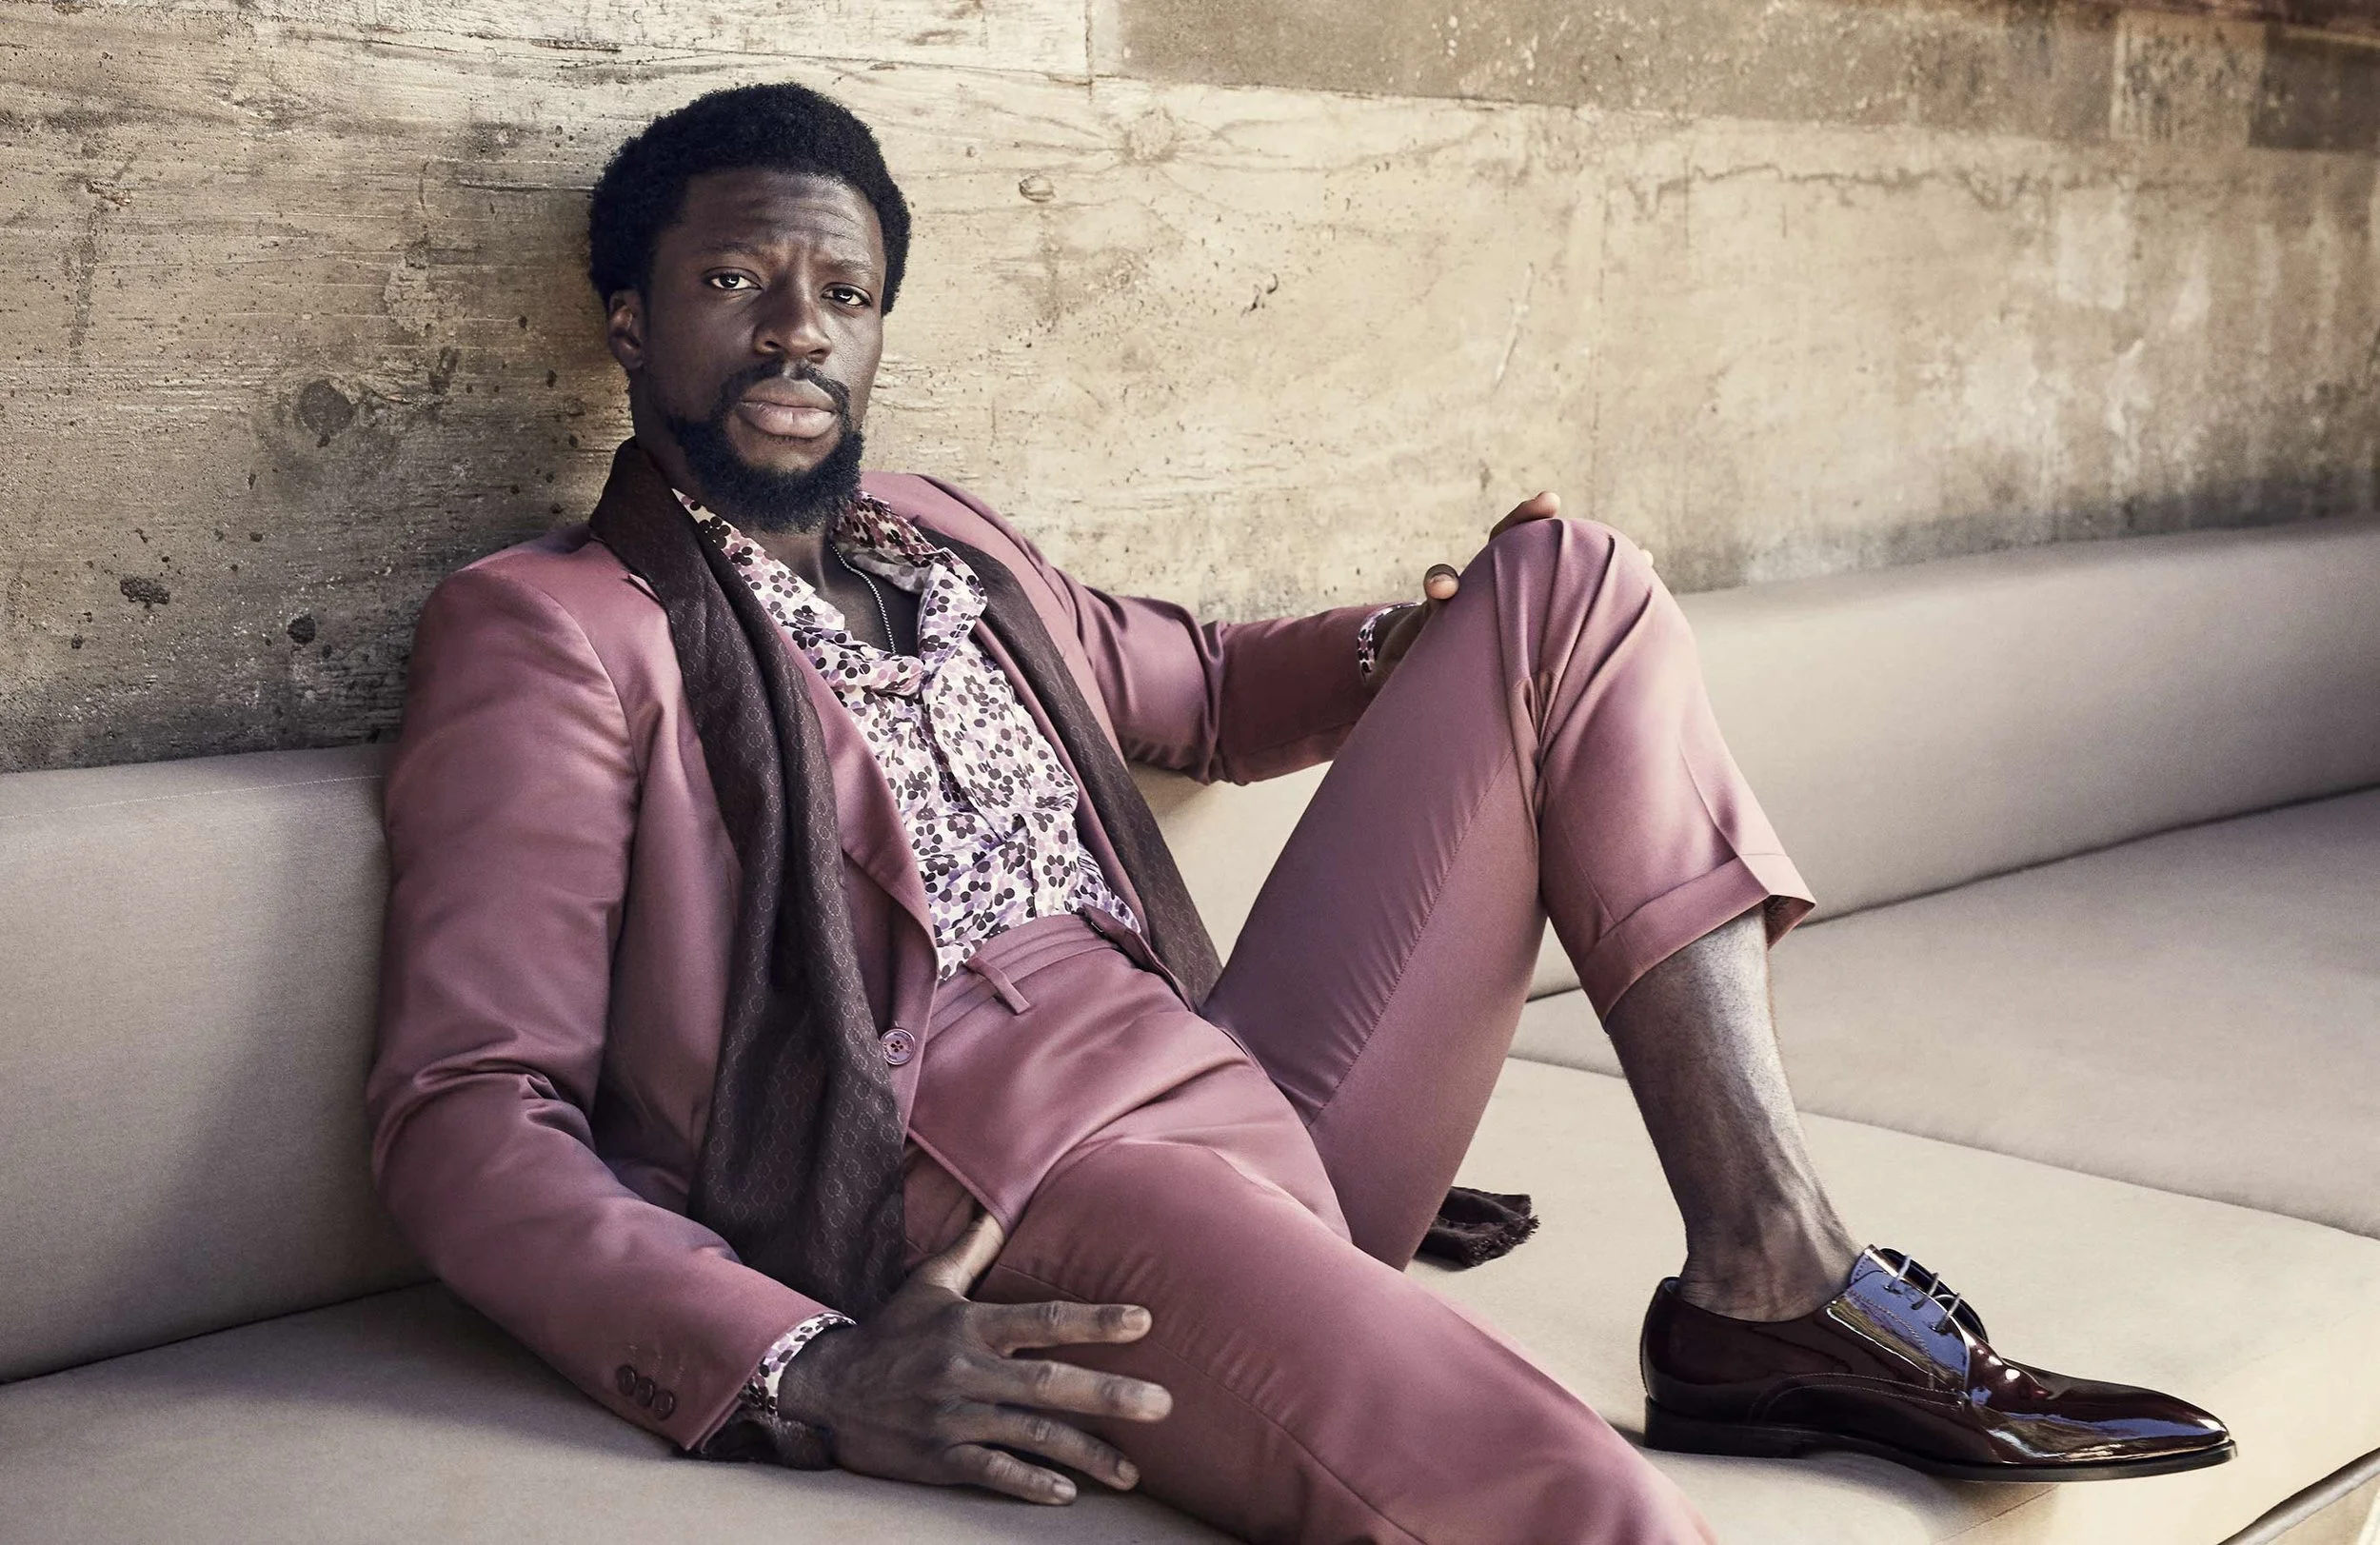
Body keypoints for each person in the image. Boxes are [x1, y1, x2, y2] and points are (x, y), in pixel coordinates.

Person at [366, 81, 2232, 1544]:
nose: (796, 332)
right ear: (625, 318)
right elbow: (466, 1116)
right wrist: (809, 1365)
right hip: (1027, 1189)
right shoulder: (552, 629)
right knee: (1559, 1490)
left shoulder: (934, 537)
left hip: (1244, 1083)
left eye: (841, 292)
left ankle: (1770, 1275)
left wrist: (1407, 646)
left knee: (1566, 581)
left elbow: (1190, 685)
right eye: (730, 282)